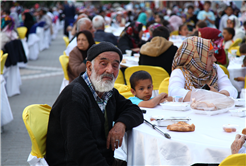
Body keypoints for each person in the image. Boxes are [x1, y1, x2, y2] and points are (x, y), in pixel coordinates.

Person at [46, 42, 144, 165]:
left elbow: (134, 110)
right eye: (103, 64)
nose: (110, 70)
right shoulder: (74, 96)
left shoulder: (107, 91)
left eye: (115, 66)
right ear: (89, 67)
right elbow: (81, 149)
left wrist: (121, 123)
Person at [169, 36, 237, 102]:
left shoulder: (215, 69)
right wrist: (207, 95)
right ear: (196, 57)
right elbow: (174, 92)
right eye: (210, 55)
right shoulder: (180, 72)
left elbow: (232, 90)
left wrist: (220, 95)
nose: (214, 59)